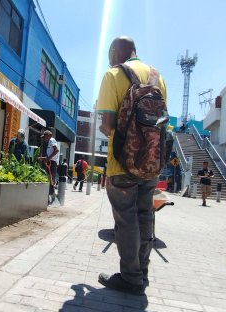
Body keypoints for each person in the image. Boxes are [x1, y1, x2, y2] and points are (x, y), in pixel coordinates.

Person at [96, 36, 167, 295]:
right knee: (145, 215)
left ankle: (130, 277)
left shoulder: (113, 74)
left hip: (122, 163)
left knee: (126, 219)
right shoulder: (157, 77)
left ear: (115, 52)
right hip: (150, 163)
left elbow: (107, 123)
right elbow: (162, 124)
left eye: (109, 54)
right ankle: (142, 271)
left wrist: (118, 137)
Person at [39, 130, 58, 199]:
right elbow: (50, 155)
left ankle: (51, 194)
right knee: (48, 179)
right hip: (50, 162)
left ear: (49, 135)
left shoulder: (52, 140)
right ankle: (49, 196)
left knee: (50, 179)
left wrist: (47, 158)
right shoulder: (49, 142)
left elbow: (56, 150)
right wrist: (43, 158)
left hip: (52, 163)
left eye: (45, 137)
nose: (44, 139)